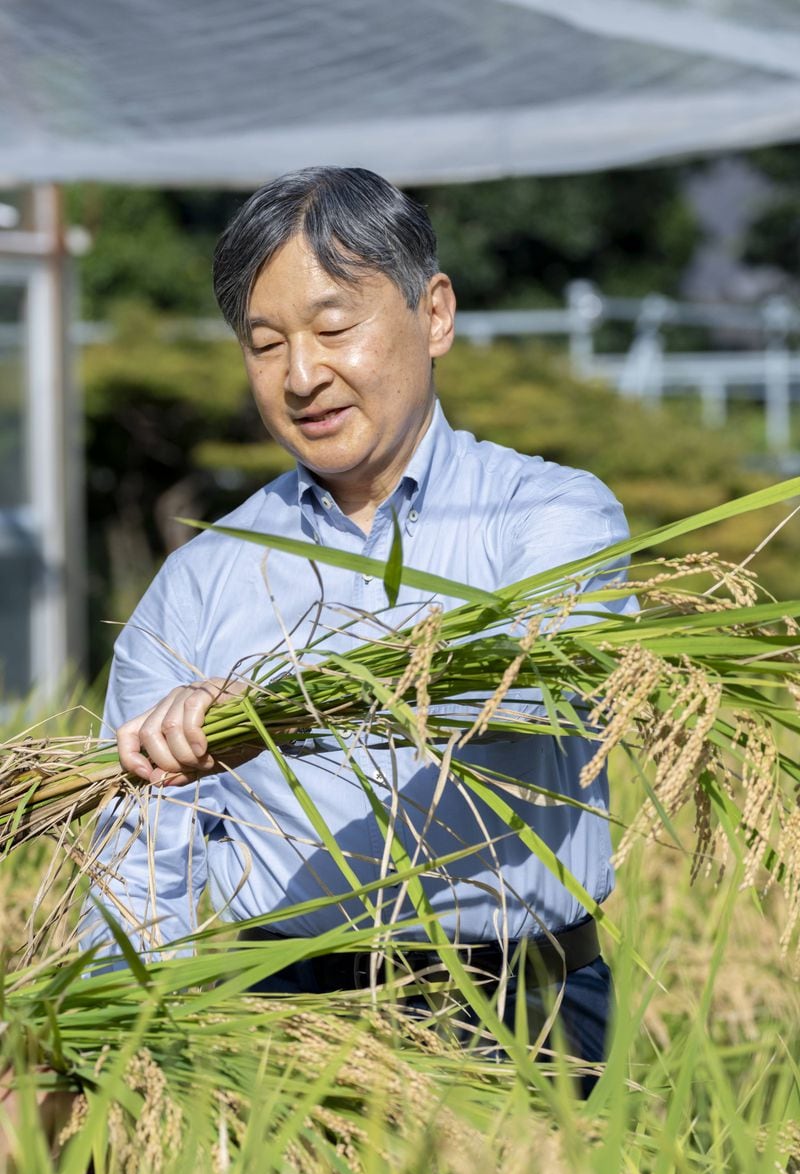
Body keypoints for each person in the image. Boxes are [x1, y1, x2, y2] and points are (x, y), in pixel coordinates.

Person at [82, 166, 636, 1087]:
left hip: (522, 1018)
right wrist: (109, 1053)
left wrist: (276, 708)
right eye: (266, 345)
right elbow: (136, 853)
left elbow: (529, 681)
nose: (303, 376)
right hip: (275, 1024)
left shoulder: (549, 515)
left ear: (435, 314)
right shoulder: (199, 580)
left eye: (335, 327)